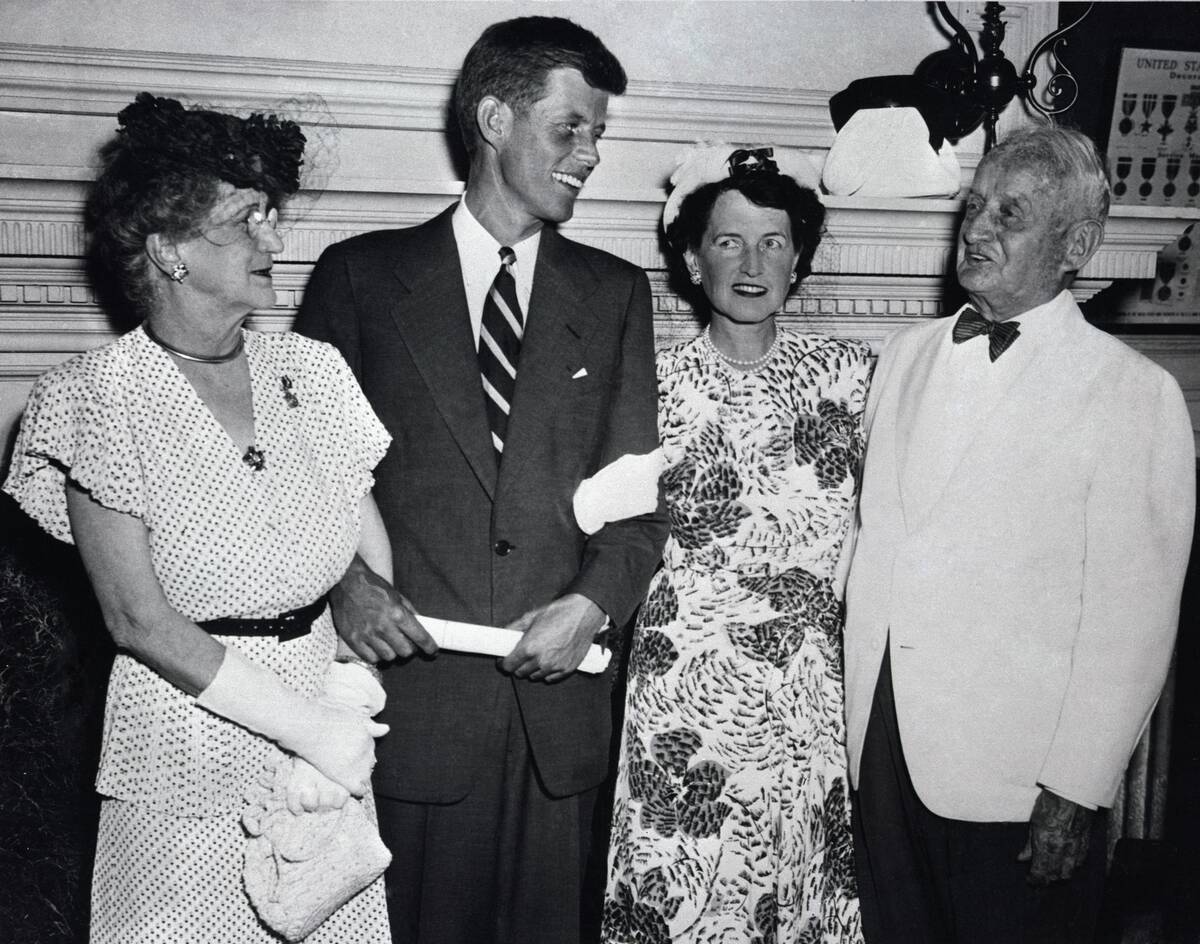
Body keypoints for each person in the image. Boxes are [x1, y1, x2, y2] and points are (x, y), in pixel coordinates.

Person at [294, 17, 669, 944]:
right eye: (569, 128)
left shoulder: (616, 295)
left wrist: (590, 606)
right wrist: (346, 585)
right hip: (408, 712)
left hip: (559, 721)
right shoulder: (360, 279)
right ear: (495, 119)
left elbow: (636, 511)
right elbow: (292, 483)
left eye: (598, 136)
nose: (588, 155)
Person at [2, 93, 394, 943]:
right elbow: (137, 619)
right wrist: (310, 730)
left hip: (322, 754)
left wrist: (343, 705)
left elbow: (365, 536)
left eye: (274, 217)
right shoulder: (95, 398)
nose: (276, 240)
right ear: (170, 249)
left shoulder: (314, 372)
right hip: (180, 751)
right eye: (248, 220)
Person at [844, 125, 1195, 943]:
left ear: (1076, 245)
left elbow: (1134, 621)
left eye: (1011, 212)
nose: (977, 228)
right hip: (884, 751)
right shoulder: (903, 355)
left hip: (1020, 785)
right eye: (974, 206)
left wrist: (1076, 788)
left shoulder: (1132, 395)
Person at [602, 145, 869, 943]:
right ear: (691, 259)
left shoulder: (853, 379)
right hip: (685, 696)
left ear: (799, 259)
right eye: (728, 242)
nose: (753, 264)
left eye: (774, 242)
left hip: (804, 696)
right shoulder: (648, 385)